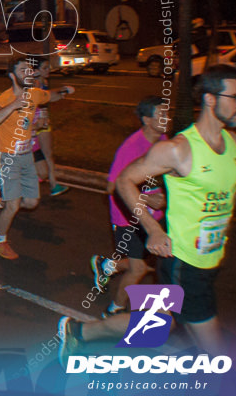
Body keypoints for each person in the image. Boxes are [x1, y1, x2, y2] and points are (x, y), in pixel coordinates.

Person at [58, 65, 236, 360]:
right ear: (210, 99)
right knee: (217, 357)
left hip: (210, 262)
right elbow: (124, 181)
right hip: (184, 265)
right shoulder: (178, 149)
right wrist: (153, 229)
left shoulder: (235, 145)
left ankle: (78, 332)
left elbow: (220, 203)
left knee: (159, 325)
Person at [0, 57, 73, 259]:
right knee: (13, 204)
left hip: (26, 156)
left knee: (31, 202)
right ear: (12, 76)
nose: (28, 73)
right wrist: (13, 105)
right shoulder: (4, 99)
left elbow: (50, 96)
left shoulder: (34, 94)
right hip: (7, 157)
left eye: (30, 70)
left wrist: (64, 91)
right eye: (23, 70)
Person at [90, 96, 168, 317]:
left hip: (154, 217)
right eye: (161, 114)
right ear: (146, 119)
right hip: (128, 217)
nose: (166, 118)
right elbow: (112, 187)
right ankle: (114, 310)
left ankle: (107, 266)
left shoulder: (163, 140)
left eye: (167, 113)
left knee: (155, 260)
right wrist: (146, 199)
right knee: (140, 268)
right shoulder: (131, 147)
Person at [31, 62, 67, 196]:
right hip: (34, 124)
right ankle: (50, 183)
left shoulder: (44, 81)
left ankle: (51, 182)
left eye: (48, 67)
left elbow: (46, 101)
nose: (48, 70)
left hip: (43, 122)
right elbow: (42, 97)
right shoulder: (34, 84)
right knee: (41, 154)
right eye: (45, 68)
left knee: (47, 154)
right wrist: (61, 90)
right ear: (36, 70)